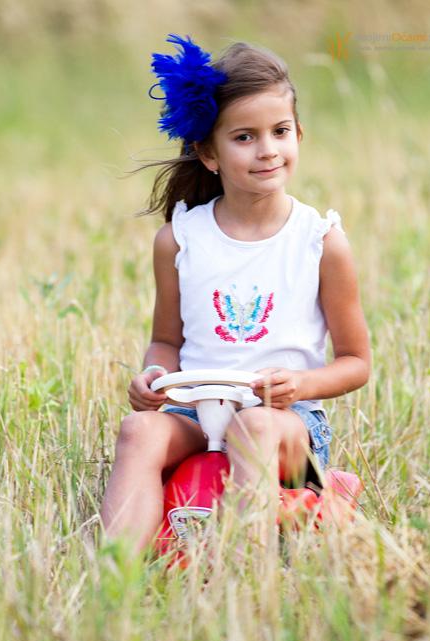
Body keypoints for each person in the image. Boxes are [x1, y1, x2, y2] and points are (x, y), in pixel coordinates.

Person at [100, 34, 371, 554]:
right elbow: (166, 341)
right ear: (208, 153)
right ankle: (119, 575)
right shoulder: (179, 239)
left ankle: (243, 567)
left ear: (299, 135)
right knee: (138, 431)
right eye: (244, 137)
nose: (267, 149)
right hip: (194, 412)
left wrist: (301, 383)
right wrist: (154, 376)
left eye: (280, 131)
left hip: (286, 424)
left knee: (253, 428)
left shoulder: (320, 242)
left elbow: (356, 363)